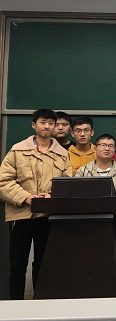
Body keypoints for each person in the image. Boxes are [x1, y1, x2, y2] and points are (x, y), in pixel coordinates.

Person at [0, 109, 71, 300]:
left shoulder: (62, 155)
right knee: (17, 264)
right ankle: (16, 304)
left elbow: (67, 184)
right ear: (34, 125)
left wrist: (50, 196)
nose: (47, 126)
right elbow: (3, 182)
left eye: (51, 123)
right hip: (20, 214)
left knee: (43, 263)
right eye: (42, 122)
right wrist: (27, 197)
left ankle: (40, 304)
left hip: (47, 216)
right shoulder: (17, 151)